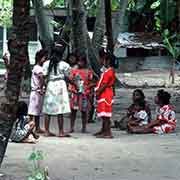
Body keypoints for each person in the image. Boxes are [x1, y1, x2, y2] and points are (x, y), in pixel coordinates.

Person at [42, 45, 71, 137]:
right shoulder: (64, 65)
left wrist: (45, 85)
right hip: (61, 86)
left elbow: (44, 76)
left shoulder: (46, 64)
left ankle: (46, 131)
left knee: (48, 109)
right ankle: (61, 131)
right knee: (60, 109)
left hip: (50, 85)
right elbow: (68, 76)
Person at [94, 52, 116, 138]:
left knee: (106, 115)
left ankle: (108, 132)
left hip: (105, 94)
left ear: (108, 61)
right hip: (105, 93)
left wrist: (98, 92)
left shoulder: (109, 72)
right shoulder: (107, 70)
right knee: (104, 114)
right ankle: (104, 130)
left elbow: (104, 84)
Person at [69, 55, 93, 133]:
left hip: (84, 94)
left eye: (81, 61)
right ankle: (72, 127)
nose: (80, 63)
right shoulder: (74, 71)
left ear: (84, 62)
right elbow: (70, 79)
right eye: (79, 61)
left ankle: (84, 127)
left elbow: (91, 81)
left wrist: (89, 88)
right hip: (75, 93)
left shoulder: (88, 71)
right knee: (73, 111)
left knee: (84, 111)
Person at [28, 49, 48, 134]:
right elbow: (41, 77)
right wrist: (43, 86)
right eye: (44, 58)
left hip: (38, 91)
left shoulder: (39, 67)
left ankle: (37, 127)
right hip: (36, 91)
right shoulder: (37, 68)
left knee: (37, 111)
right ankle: (30, 127)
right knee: (32, 110)